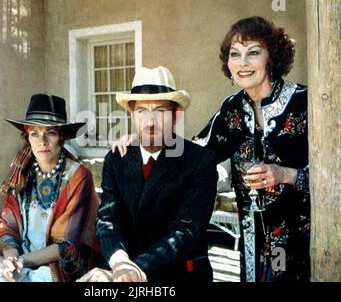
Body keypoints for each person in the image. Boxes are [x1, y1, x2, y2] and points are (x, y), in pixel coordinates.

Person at [111, 17, 310, 282]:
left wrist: (286, 174)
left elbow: (334, 173)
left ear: (272, 56)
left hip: (306, 237)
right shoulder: (233, 109)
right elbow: (195, 150)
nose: (243, 63)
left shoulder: (305, 102)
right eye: (234, 55)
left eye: (253, 53)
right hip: (253, 242)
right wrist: (143, 139)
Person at [77, 66, 218, 282]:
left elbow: (185, 231)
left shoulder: (199, 161)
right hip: (121, 269)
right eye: (142, 111)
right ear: (131, 114)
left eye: (160, 111)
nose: (150, 121)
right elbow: (107, 220)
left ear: (176, 115)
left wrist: (132, 270)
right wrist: (118, 261)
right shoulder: (116, 159)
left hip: (177, 275)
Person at [0, 94, 100, 282]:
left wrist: (21, 261)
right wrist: (10, 260)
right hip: (22, 259)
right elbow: (9, 229)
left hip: (61, 267)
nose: (42, 141)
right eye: (35, 133)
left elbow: (67, 245)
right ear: (27, 137)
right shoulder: (21, 173)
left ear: (62, 137)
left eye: (50, 133)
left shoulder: (78, 176)